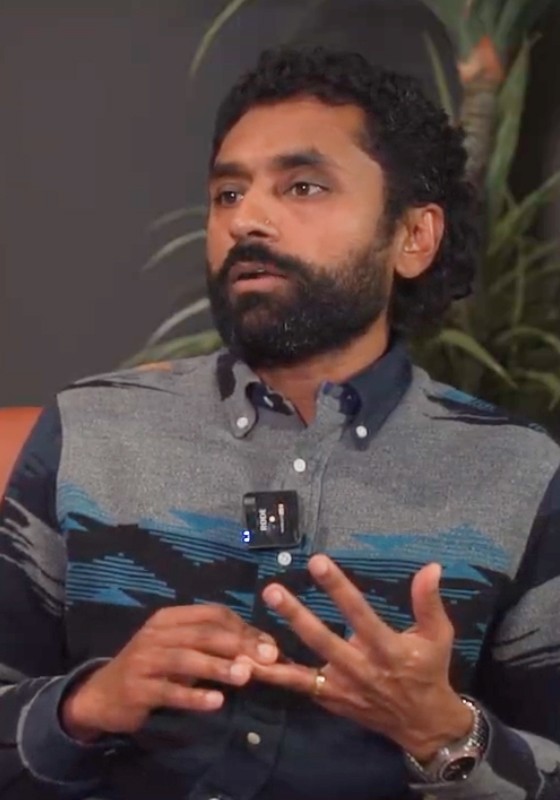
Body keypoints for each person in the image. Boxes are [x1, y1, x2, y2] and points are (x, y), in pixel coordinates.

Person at [0, 46, 559, 800]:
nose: (247, 220)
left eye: (302, 185)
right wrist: (83, 706)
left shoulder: (518, 477)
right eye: (228, 194)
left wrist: (446, 736)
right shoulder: (91, 431)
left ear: (412, 238)